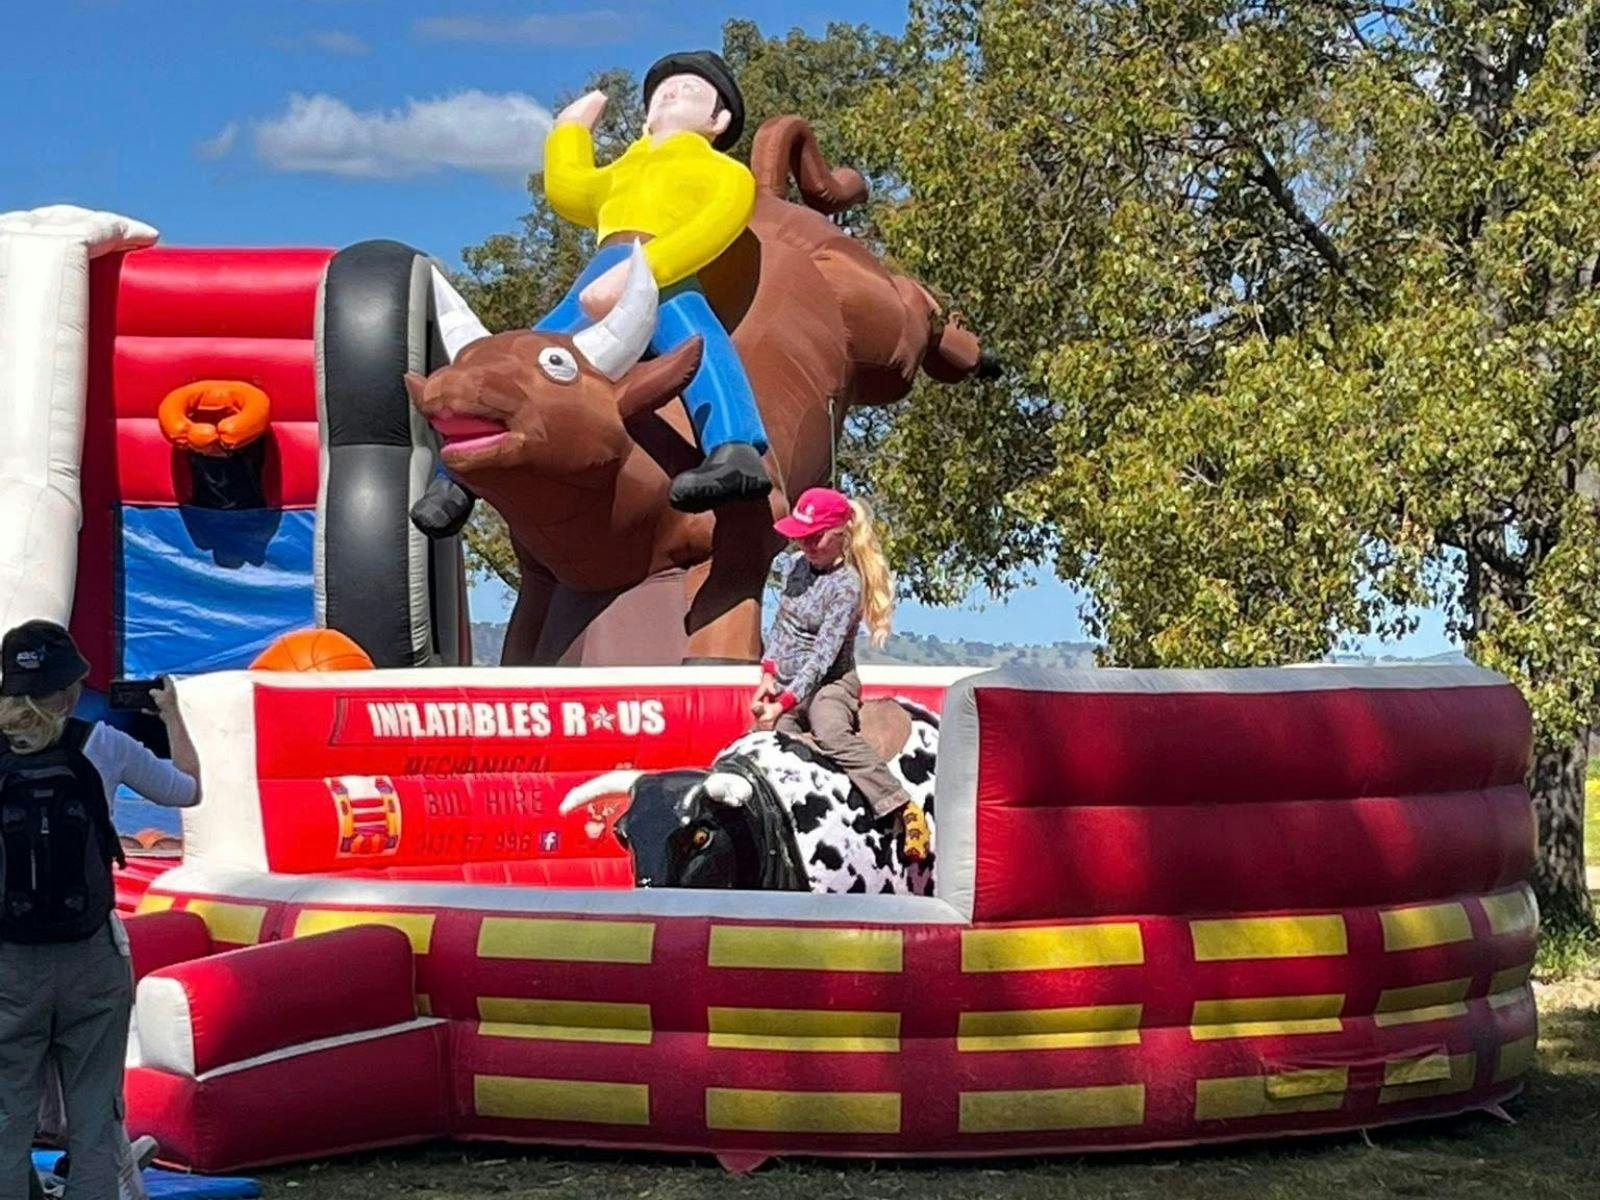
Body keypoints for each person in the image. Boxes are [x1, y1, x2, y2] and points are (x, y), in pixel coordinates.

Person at [0, 621, 199, 1200]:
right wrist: (171, 714)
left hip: (10, 962)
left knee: (8, 1119)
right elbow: (187, 790)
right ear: (68, 692)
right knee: (93, 1123)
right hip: (93, 956)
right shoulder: (102, 744)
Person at [751, 488, 930, 859]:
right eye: (802, 536)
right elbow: (782, 625)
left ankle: (901, 806)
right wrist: (768, 675)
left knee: (831, 729)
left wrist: (784, 702)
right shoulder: (794, 567)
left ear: (841, 533)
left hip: (832, 683)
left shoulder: (847, 585)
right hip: (787, 681)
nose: (807, 544)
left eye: (816, 536)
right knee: (770, 744)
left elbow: (822, 656)